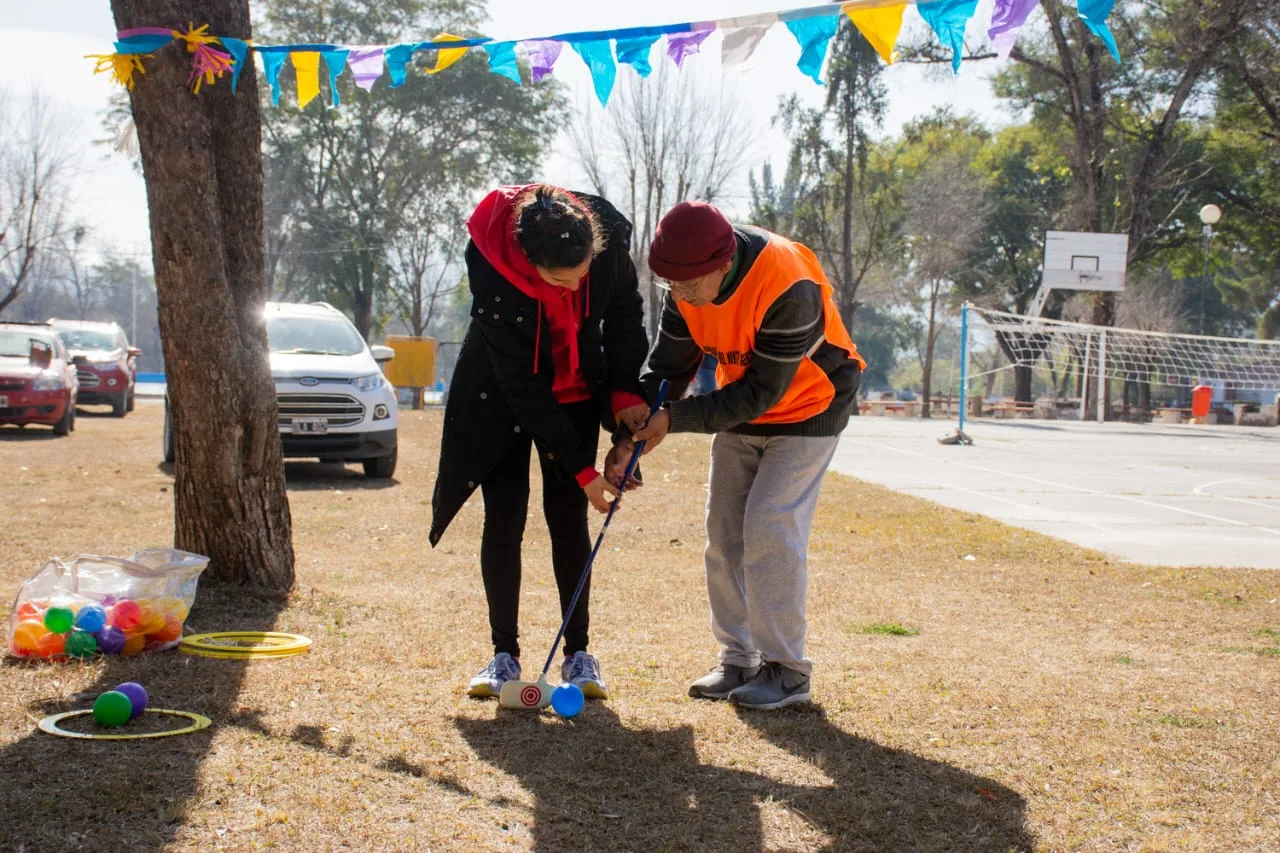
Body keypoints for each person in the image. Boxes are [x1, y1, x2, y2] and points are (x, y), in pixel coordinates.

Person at [621, 201, 865, 711]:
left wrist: (677, 420)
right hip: (740, 409)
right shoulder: (686, 285)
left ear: (723, 264)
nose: (681, 297)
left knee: (770, 527)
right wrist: (637, 426)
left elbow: (763, 393)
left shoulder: (786, 282)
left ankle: (788, 670)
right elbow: (669, 366)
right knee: (725, 533)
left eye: (689, 287)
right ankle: (738, 658)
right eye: (671, 287)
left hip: (810, 405)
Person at [430, 184, 650, 701]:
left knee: (569, 521)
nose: (572, 289)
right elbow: (522, 386)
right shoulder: (488, 257)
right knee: (503, 518)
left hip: (576, 393)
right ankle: (503, 655)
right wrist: (585, 471)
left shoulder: (610, 241)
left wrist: (622, 398)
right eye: (557, 280)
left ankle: (579, 656)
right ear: (526, 262)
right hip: (501, 394)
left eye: (581, 275)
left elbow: (623, 320)